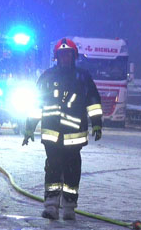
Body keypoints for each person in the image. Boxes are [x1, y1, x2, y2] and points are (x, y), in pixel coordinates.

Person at [23, 38, 103, 220]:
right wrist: (29, 128)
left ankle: (69, 207)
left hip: (74, 137)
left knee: (72, 170)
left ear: (74, 56)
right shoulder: (47, 77)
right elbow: (36, 105)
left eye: (68, 54)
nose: (65, 57)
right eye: (62, 54)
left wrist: (97, 122)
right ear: (56, 57)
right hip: (52, 135)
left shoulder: (83, 77)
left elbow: (93, 102)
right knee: (53, 168)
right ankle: (51, 206)